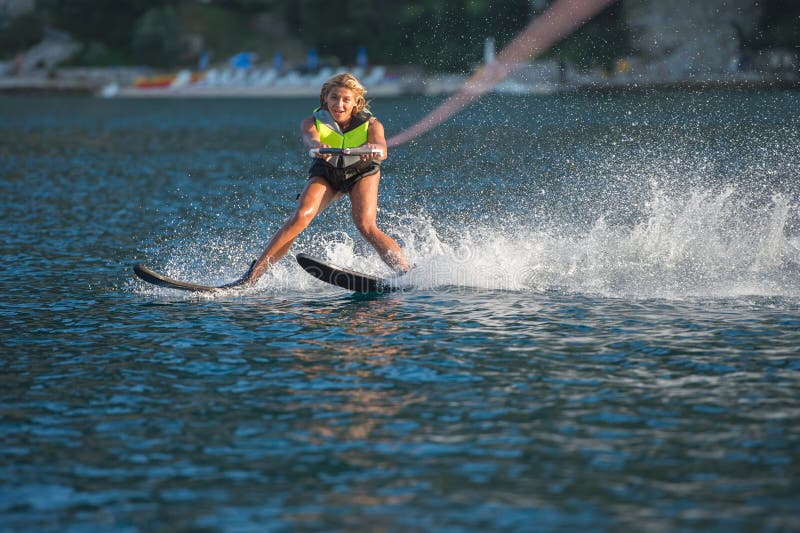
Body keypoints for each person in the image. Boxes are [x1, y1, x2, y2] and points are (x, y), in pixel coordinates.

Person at [231, 72, 409, 287]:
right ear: (325, 98)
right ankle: (251, 277)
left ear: (356, 102)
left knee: (365, 225)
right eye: (334, 98)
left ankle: (405, 273)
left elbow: (382, 149)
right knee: (299, 218)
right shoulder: (311, 122)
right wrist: (318, 146)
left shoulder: (372, 125)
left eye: (346, 100)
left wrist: (373, 149)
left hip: (361, 172)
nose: (339, 105)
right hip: (326, 171)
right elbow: (310, 139)